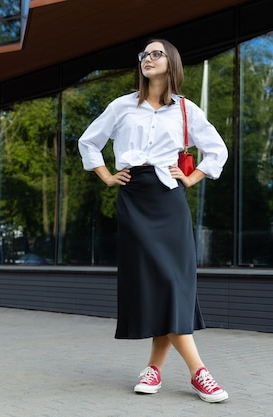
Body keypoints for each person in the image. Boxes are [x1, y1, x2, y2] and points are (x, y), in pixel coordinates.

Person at [78, 39, 229, 403]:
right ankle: (199, 372)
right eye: (144, 55)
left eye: (156, 53)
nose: (148, 59)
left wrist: (192, 178)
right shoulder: (122, 106)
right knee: (157, 282)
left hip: (169, 197)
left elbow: (217, 149)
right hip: (134, 196)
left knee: (172, 282)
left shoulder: (185, 110)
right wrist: (107, 176)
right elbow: (89, 142)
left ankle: (155, 368)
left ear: (171, 62)